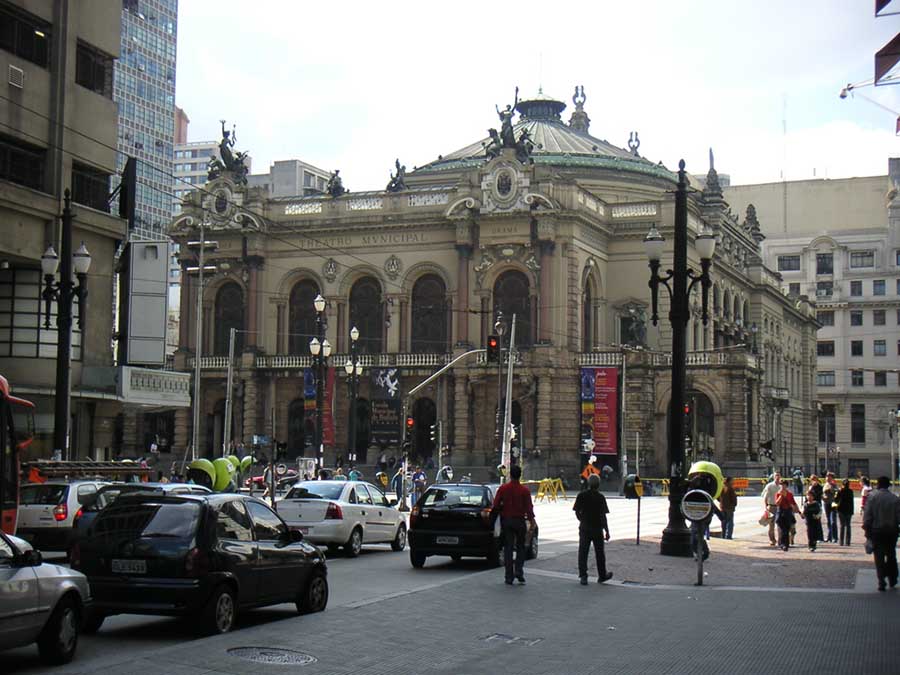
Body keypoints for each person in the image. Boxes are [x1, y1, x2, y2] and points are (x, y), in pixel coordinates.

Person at [491, 464, 536, 585]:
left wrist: (492, 521)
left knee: (508, 548)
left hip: (507, 521)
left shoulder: (503, 488)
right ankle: (519, 572)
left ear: (510, 475)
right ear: (520, 476)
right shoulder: (524, 491)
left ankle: (508, 576)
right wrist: (532, 522)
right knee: (521, 547)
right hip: (520, 521)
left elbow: (495, 506)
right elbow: (529, 508)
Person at [573, 473, 613, 585]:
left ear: (588, 483)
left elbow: (576, 511)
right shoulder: (600, 497)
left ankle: (583, 576)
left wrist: (581, 520)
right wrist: (607, 530)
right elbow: (603, 516)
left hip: (585, 527)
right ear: (598, 485)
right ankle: (602, 575)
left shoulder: (581, 495)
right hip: (597, 528)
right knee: (600, 553)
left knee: (583, 551)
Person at [862, 476, 900, 591]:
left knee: (879, 557)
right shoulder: (895, 499)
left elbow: (867, 515)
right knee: (891, 555)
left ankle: (881, 581)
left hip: (876, 531)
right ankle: (892, 578)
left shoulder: (872, 497)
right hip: (891, 531)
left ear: (878, 484)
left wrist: (866, 529)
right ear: (888, 485)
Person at [774, 480, 800, 551]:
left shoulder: (790, 494)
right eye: (781, 485)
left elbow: (793, 503)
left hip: (788, 512)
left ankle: (786, 544)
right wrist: (781, 496)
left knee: (787, 529)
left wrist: (799, 512)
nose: (782, 486)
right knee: (782, 529)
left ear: (786, 486)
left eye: (784, 485)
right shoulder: (778, 494)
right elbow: (777, 503)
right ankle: (783, 544)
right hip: (781, 512)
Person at [761, 472, 781, 546]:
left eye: (778, 475)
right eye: (776, 475)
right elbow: (765, 497)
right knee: (771, 525)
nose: (777, 477)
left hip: (779, 507)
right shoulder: (769, 486)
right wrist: (766, 507)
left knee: (780, 524)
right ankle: (772, 540)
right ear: (773, 477)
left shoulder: (781, 487)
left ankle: (780, 540)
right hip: (771, 506)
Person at [835, 478, 855, 546]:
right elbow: (852, 502)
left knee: (842, 525)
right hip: (849, 510)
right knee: (848, 525)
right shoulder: (850, 491)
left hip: (841, 509)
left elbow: (836, 500)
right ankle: (848, 541)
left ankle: (841, 541)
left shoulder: (840, 491)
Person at [823, 472, 839, 543]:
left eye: (829, 477)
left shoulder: (834, 485)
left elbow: (837, 493)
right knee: (828, 521)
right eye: (827, 477)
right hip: (826, 503)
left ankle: (835, 537)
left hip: (833, 503)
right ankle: (829, 536)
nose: (828, 478)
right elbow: (822, 494)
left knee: (833, 521)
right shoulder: (825, 485)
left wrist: (832, 490)